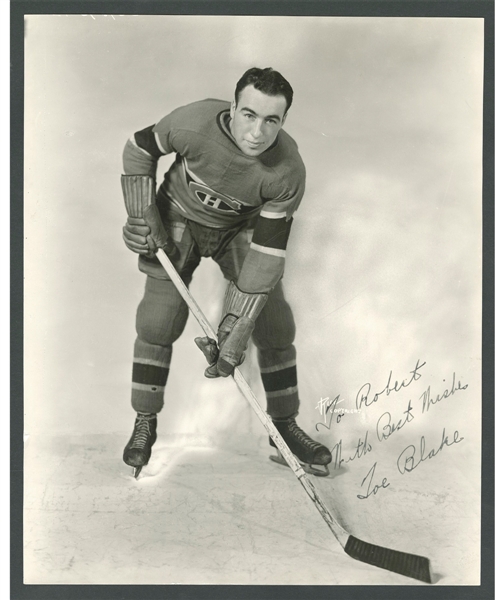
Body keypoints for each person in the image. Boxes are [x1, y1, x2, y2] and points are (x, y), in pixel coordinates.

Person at [120, 67, 332, 477]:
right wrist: (142, 215)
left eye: (272, 120)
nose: (257, 132)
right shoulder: (192, 123)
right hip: (177, 215)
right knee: (158, 322)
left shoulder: (288, 171)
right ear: (233, 107)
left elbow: (266, 255)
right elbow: (137, 149)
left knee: (273, 325)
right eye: (249, 115)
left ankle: (283, 426)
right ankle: (144, 421)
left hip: (240, 228)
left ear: (284, 121)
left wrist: (235, 326)